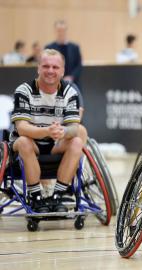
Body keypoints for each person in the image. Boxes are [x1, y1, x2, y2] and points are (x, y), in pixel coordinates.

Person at [10, 49, 87, 213]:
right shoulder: (24, 91)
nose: (50, 71)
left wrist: (63, 132)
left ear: (62, 71)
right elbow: (22, 128)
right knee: (24, 142)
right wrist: (47, 131)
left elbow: (73, 127)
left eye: (55, 67)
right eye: (45, 66)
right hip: (29, 143)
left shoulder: (69, 92)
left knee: (77, 140)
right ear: (38, 68)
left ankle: (57, 195)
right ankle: (36, 197)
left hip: (54, 143)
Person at [46, 20, 83, 89]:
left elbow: (78, 65)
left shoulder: (75, 47)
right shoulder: (49, 48)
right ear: (55, 31)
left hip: (73, 84)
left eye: (63, 30)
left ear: (66, 31)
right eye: (59, 30)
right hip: (54, 84)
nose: (61, 33)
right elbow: (46, 66)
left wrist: (71, 77)